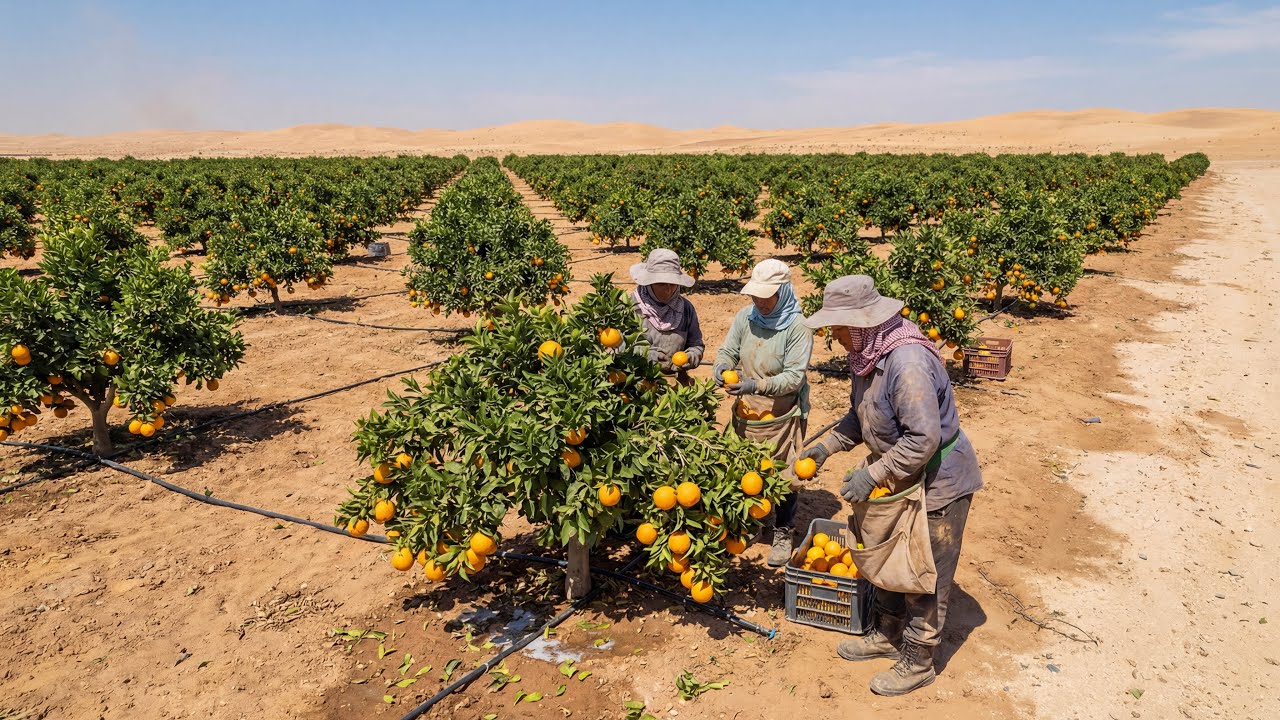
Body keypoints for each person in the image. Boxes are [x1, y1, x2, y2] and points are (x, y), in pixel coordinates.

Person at [798, 275, 982, 697]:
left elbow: (922, 439)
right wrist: (826, 447)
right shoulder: (866, 356)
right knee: (889, 554)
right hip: (902, 476)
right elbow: (859, 416)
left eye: (839, 327)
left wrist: (872, 475)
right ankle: (887, 634)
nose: (835, 335)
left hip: (939, 480)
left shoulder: (907, 363)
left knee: (923, 569)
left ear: (863, 324)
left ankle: (919, 659)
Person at [712, 258, 813, 567]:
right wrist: (722, 365)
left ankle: (783, 531)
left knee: (783, 475)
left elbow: (794, 377)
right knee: (742, 469)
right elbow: (729, 350)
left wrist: (755, 385)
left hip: (780, 412)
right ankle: (750, 523)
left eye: (765, 295)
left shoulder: (798, 327)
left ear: (782, 292)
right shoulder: (746, 317)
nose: (759, 301)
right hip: (746, 410)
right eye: (755, 294)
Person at [629, 249, 704, 382]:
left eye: (673, 284)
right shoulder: (631, 307)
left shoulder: (686, 309)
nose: (668, 290)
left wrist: (691, 357)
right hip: (637, 384)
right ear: (649, 283)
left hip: (675, 383)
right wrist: (646, 355)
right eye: (662, 284)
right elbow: (616, 346)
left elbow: (696, 344)